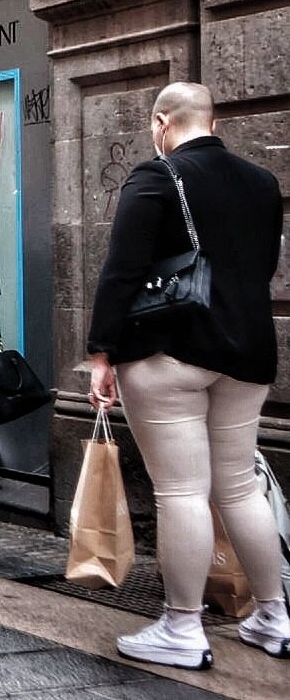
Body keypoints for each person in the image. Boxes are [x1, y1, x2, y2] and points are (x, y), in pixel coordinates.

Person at [87, 82, 288, 669]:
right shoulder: (262, 183)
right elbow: (264, 266)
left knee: (181, 492)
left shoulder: (156, 176)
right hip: (247, 352)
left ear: (160, 122)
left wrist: (102, 353)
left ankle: (181, 625)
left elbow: (120, 269)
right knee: (238, 485)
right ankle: (274, 614)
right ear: (213, 120)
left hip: (168, 351)